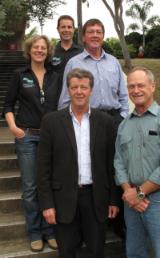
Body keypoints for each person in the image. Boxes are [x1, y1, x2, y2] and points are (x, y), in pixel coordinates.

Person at [37, 68, 119, 258]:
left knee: (96, 251)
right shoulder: (51, 121)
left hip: (96, 197)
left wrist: (113, 199)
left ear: (91, 90)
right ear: (68, 90)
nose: (79, 91)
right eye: (74, 87)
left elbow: (112, 164)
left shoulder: (106, 121)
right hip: (63, 199)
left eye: (84, 87)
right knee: (66, 252)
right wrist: (47, 204)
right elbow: (43, 168)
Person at [114, 66, 160, 258]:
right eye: (131, 86)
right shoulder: (124, 125)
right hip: (131, 201)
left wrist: (140, 193)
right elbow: (118, 161)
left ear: (152, 86)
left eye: (141, 85)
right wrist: (130, 191)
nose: (136, 90)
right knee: (134, 252)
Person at [3, 35, 61, 252]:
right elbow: (8, 105)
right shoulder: (20, 75)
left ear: (48, 51)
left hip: (50, 137)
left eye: (43, 48)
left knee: (48, 184)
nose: (39, 50)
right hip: (26, 136)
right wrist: (14, 128)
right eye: (35, 47)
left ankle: (50, 230)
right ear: (29, 51)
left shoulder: (55, 76)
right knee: (30, 187)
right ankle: (35, 232)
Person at [58, 18, 129, 130]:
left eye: (98, 32)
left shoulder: (113, 62)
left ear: (103, 36)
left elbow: (123, 95)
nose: (95, 35)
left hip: (114, 120)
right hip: (85, 121)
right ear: (83, 38)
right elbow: (65, 98)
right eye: (91, 32)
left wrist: (123, 116)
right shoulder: (73, 63)